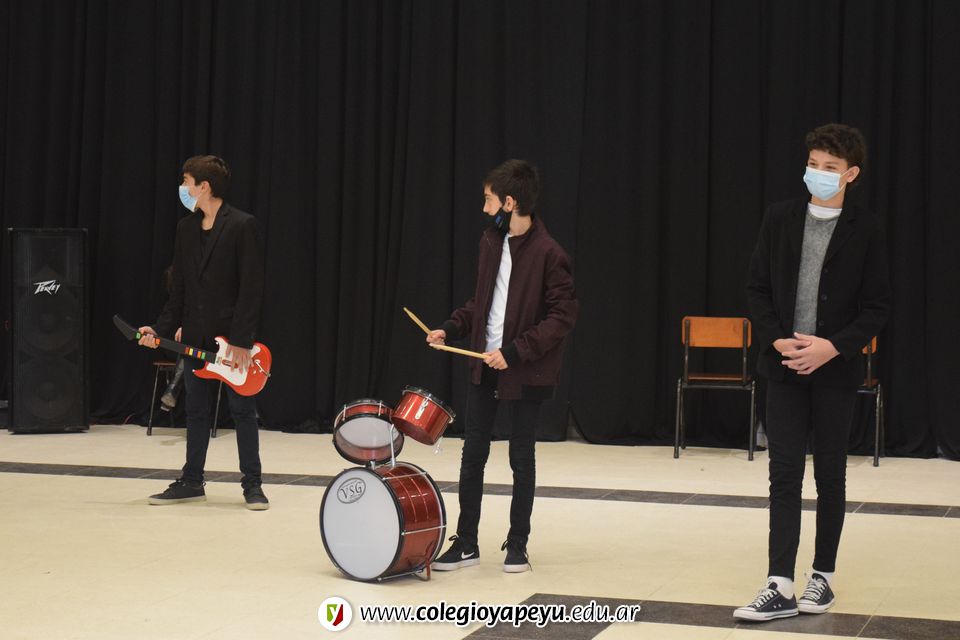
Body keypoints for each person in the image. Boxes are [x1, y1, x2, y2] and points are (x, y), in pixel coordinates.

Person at [736, 124, 890, 620]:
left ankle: (822, 577)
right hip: (783, 365)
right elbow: (757, 288)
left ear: (851, 174)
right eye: (813, 164)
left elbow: (877, 307)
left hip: (834, 370)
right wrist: (776, 338)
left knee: (830, 474)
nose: (818, 173)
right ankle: (778, 581)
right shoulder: (779, 217)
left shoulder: (866, 228)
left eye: (830, 167)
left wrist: (832, 347)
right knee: (783, 474)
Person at [427, 159, 578, 573]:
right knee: (472, 454)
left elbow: (561, 318)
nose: (484, 208)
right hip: (484, 363)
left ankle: (517, 544)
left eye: (489, 200)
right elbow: (481, 303)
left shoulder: (550, 254)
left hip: (524, 368)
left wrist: (514, 351)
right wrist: (450, 328)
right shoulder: (491, 242)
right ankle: (467, 543)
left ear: (510, 202)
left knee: (521, 457)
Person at [139, 155, 268, 510]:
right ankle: (192, 480)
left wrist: (241, 341)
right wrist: (160, 329)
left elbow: (251, 288)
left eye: (186, 181)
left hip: (232, 342)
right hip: (195, 339)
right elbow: (179, 289)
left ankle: (253, 485)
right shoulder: (185, 228)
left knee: (242, 411)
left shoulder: (242, 224)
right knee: (195, 411)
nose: (182, 188)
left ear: (203, 186)